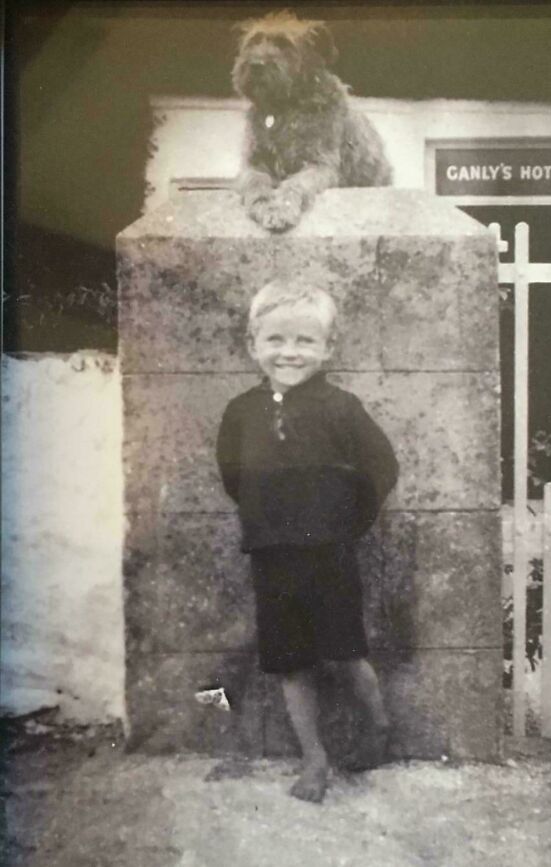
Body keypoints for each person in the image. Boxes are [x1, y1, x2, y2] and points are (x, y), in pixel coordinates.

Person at [216, 279, 399, 803]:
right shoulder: (241, 411)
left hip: (330, 556)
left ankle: (379, 725)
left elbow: (381, 468)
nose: (289, 352)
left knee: (344, 653)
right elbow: (232, 475)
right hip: (272, 557)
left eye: (304, 341)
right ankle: (314, 760)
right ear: (253, 345)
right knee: (289, 660)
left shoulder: (343, 408)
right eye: (275, 340)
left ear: (328, 348)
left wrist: (344, 524)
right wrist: (267, 516)